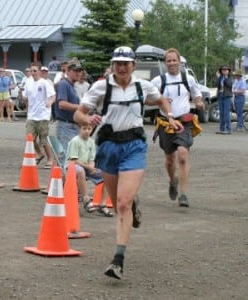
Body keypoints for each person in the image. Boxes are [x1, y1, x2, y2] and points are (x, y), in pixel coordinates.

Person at [73, 46, 183, 280]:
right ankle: (132, 204)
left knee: (121, 204)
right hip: (108, 146)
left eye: (126, 63)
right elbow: (78, 114)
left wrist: (170, 116)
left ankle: (118, 260)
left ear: (134, 65)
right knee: (118, 203)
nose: (122, 67)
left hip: (134, 145)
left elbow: (162, 100)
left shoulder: (143, 86)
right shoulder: (101, 87)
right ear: (113, 65)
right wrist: (87, 118)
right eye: (118, 63)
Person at [151, 47, 204, 208]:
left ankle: (183, 194)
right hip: (166, 124)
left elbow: (197, 94)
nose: (172, 63)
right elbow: (147, 99)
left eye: (174, 60)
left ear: (179, 61)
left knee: (182, 154)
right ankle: (172, 180)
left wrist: (199, 102)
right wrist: (160, 100)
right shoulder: (158, 81)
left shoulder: (188, 78)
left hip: (184, 122)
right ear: (165, 62)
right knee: (169, 159)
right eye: (169, 61)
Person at [65, 124, 113, 217]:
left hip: (86, 166)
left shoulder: (91, 142)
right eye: (84, 128)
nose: (87, 131)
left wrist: (92, 167)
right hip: (72, 166)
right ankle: (86, 198)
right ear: (80, 129)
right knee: (80, 171)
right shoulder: (75, 141)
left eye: (89, 129)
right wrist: (88, 167)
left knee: (108, 175)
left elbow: (91, 159)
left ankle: (102, 204)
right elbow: (74, 160)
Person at [22, 62, 56, 167]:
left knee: (43, 140)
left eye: (35, 71)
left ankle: (50, 159)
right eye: (31, 71)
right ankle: (40, 154)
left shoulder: (44, 83)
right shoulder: (28, 82)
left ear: (40, 72)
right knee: (30, 138)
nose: (33, 73)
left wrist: (50, 102)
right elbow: (26, 97)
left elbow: (53, 95)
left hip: (43, 115)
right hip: (32, 115)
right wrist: (26, 108)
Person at [55, 60, 82, 167]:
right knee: (66, 157)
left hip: (73, 125)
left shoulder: (72, 86)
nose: (78, 73)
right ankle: (64, 182)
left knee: (72, 157)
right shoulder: (64, 84)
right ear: (68, 71)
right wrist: (80, 107)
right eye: (75, 71)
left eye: (80, 71)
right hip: (66, 125)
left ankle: (65, 181)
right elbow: (62, 104)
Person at [215, 65, 233, 134]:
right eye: (223, 70)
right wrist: (218, 77)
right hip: (220, 96)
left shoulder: (229, 78)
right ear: (221, 71)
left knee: (226, 113)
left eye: (226, 70)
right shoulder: (220, 77)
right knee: (221, 113)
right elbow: (217, 85)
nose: (224, 71)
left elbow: (230, 85)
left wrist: (225, 78)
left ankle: (228, 129)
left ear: (228, 71)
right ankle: (222, 129)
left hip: (227, 97)